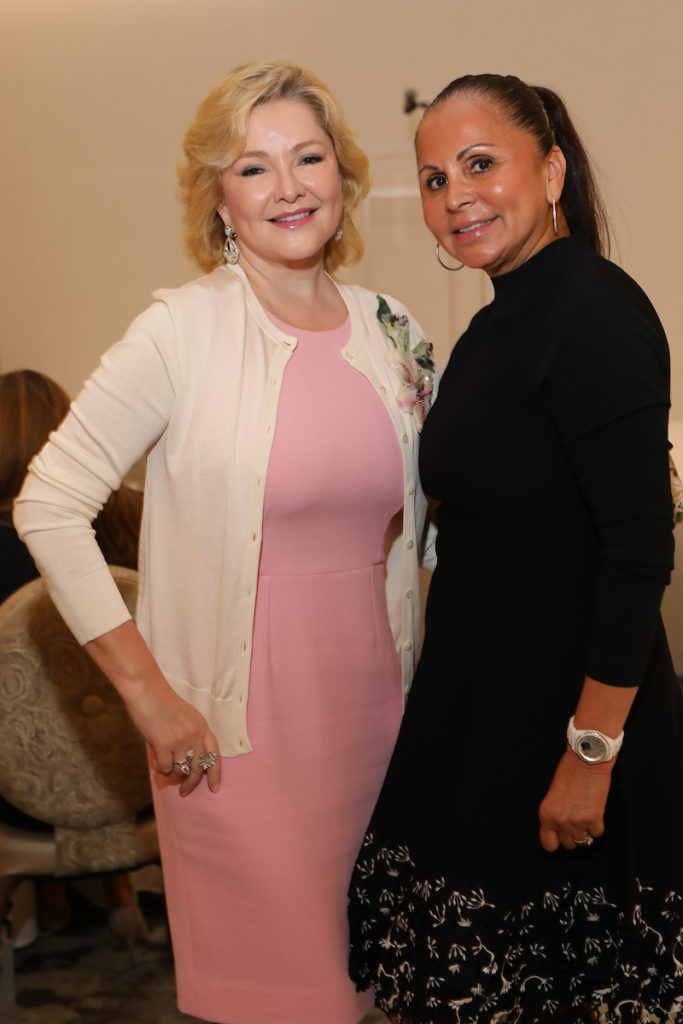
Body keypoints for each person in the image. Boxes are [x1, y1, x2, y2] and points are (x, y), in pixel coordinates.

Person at [13, 60, 436, 1024]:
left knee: (370, 991)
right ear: (217, 199)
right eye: (252, 168)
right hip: (231, 736)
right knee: (282, 1002)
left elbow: (433, 522)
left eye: (307, 157)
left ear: (343, 174)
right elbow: (48, 504)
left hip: (379, 720)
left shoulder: (392, 330)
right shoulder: (181, 332)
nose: (287, 187)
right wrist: (150, 697)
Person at [348, 73, 683, 1023]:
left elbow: (637, 556)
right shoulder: (499, 322)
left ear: (551, 168)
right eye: (432, 177)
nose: (454, 195)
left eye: (480, 164)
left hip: (566, 727)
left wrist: (588, 754)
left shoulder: (594, 312)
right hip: (485, 715)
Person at [0, 368, 147, 946]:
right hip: (142, 785)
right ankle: (115, 893)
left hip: (14, 804)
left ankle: (44, 904)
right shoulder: (133, 523)